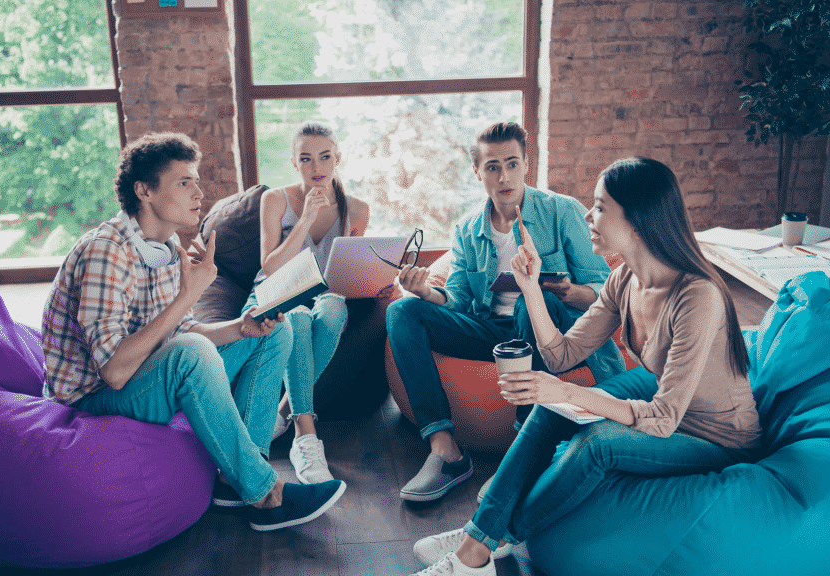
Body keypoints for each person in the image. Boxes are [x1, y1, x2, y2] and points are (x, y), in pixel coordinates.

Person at [409, 157, 762, 576]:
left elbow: (664, 419)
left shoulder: (697, 296)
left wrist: (569, 393)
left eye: (599, 207)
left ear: (637, 220)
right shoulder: (625, 279)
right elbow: (561, 355)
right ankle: (479, 538)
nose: (586, 216)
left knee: (595, 442)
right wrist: (530, 289)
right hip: (670, 412)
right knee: (550, 409)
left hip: (717, 438)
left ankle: (481, 546)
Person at [41, 132, 345, 532]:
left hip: (146, 375)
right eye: (184, 182)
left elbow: (187, 330)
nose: (199, 192)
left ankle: (238, 477)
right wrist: (189, 294)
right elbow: (114, 372)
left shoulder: (165, 247)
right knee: (190, 352)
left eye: (196, 180)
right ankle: (266, 494)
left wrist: (242, 326)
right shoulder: (106, 252)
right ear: (144, 191)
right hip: (94, 399)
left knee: (274, 331)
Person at [387, 121, 625, 503]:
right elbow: (460, 300)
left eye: (512, 164)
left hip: (546, 333)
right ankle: (444, 450)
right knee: (403, 312)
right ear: (477, 172)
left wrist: (569, 292)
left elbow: (606, 291)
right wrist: (426, 293)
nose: (504, 176)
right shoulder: (467, 228)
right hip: (488, 331)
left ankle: (522, 451)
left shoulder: (562, 212)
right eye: (493, 167)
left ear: (526, 165)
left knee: (537, 302)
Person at [232, 120, 371, 485]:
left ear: (337, 158)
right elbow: (270, 266)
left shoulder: (356, 209)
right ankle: (305, 435)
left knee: (335, 308)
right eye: (306, 159)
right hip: (276, 292)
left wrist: (375, 283)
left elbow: (347, 271)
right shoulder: (274, 199)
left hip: (325, 294)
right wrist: (307, 215)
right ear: (294, 163)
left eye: (325, 157)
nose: (316, 168)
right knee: (297, 317)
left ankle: (285, 409)